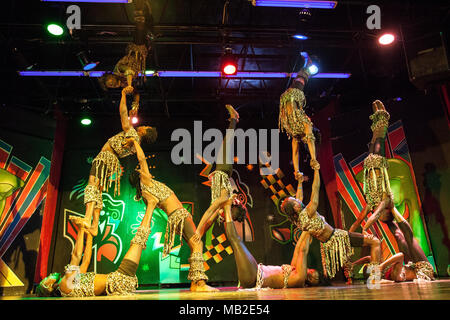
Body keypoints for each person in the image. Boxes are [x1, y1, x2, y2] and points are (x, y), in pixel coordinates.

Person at [128, 139, 224, 292]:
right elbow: (141, 158)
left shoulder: (146, 192)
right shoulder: (146, 182)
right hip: (179, 214)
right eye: (142, 170)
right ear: (140, 174)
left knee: (195, 245)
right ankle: (199, 283)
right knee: (197, 244)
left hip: (175, 217)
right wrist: (135, 142)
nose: (146, 170)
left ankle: (195, 283)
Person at [69, 86, 157, 237]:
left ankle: (87, 218)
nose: (143, 125)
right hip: (111, 162)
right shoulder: (136, 144)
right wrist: (134, 105)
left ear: (144, 132)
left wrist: (123, 94)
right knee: (97, 191)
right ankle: (95, 225)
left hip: (105, 158)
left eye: (146, 127)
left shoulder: (132, 134)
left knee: (91, 185)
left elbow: (122, 112)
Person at [281, 161, 382, 279]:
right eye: (296, 201)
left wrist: (300, 181)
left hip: (328, 244)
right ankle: (376, 278)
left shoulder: (298, 220)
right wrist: (316, 170)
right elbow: (315, 189)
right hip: (337, 238)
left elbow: (299, 197)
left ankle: (352, 276)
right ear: (296, 207)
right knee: (375, 242)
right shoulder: (308, 212)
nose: (298, 200)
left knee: (350, 260)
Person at [36, 202, 153, 297]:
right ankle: (151, 203)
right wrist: (81, 229)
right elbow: (76, 256)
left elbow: (86, 260)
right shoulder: (64, 285)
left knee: (139, 240)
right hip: (119, 280)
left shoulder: (71, 283)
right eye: (45, 280)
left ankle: (151, 205)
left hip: (120, 283)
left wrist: (90, 235)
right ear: (48, 286)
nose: (48, 276)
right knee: (139, 238)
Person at [221, 195, 319, 289]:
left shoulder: (299, 278)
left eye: (313, 275)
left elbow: (303, 250)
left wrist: (309, 227)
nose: (310, 271)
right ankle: (226, 211)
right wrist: (306, 226)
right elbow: (298, 248)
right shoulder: (294, 270)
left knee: (236, 241)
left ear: (309, 279)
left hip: (254, 277)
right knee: (236, 241)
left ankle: (226, 209)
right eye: (313, 270)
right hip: (256, 271)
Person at [193, 104, 247, 240]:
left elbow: (210, 219)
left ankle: (234, 121)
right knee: (227, 142)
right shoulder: (223, 199)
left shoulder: (221, 204)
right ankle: (234, 118)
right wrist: (198, 231)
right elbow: (209, 212)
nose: (223, 217)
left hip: (221, 170)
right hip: (223, 170)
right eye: (227, 216)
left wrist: (200, 234)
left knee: (226, 143)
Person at [349, 100, 394, 233]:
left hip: (369, 164)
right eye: (382, 215)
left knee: (374, 138)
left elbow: (359, 219)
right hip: (378, 163)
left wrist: (350, 232)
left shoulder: (371, 203)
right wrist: (365, 229)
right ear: (387, 212)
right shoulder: (386, 200)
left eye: (380, 216)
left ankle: (378, 115)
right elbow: (374, 216)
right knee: (380, 138)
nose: (379, 214)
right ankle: (384, 114)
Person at [278, 53, 318, 180]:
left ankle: (308, 64)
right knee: (300, 80)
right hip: (293, 98)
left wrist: (297, 171)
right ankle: (308, 63)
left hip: (286, 100)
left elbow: (295, 154)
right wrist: (313, 159)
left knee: (298, 80)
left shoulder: (296, 135)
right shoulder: (306, 126)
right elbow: (311, 140)